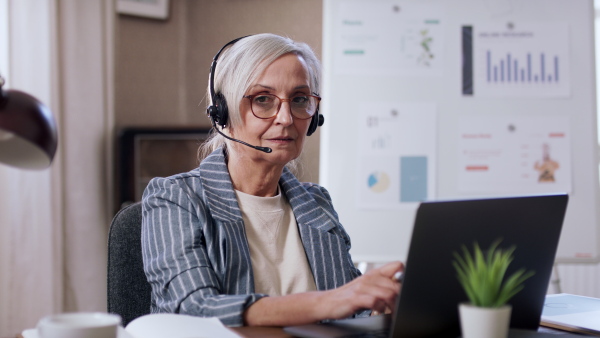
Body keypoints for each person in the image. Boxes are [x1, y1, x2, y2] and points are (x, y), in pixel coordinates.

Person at [141, 33, 403, 327]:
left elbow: (353, 309)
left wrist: (383, 304)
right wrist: (332, 301)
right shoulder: (175, 198)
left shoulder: (316, 203)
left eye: (300, 99)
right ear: (222, 113)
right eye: (263, 100)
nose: (286, 118)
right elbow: (196, 309)